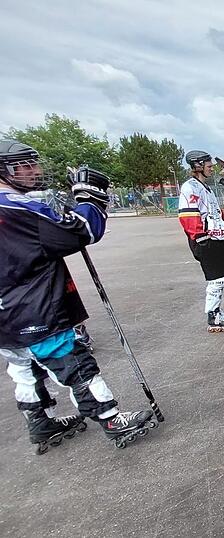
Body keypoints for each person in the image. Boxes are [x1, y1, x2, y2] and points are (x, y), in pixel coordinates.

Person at [0, 141, 155, 452]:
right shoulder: (16, 207)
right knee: (73, 363)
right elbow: (78, 231)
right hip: (34, 306)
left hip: (6, 312)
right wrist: (89, 199)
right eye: (23, 166)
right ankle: (110, 419)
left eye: (34, 163)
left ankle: (40, 422)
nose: (35, 171)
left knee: (24, 367)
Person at [178, 150, 224, 332]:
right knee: (216, 280)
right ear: (197, 166)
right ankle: (212, 316)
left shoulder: (205, 188)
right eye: (208, 166)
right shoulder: (190, 187)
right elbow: (188, 215)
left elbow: (214, 215)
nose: (212, 169)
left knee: (220, 278)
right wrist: (200, 237)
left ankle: (216, 310)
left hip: (216, 238)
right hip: (205, 240)